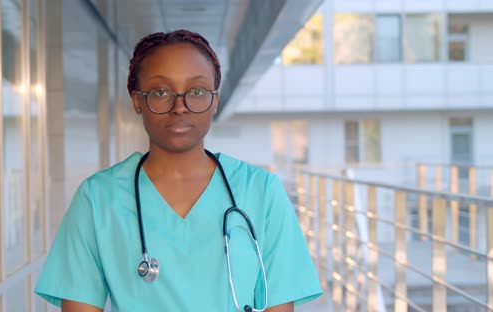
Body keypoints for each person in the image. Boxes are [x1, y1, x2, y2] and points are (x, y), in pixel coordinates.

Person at [34, 29, 322, 312]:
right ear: (137, 100)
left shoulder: (261, 191)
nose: (180, 107)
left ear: (214, 101)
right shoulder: (97, 199)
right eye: (161, 91)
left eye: (196, 91)